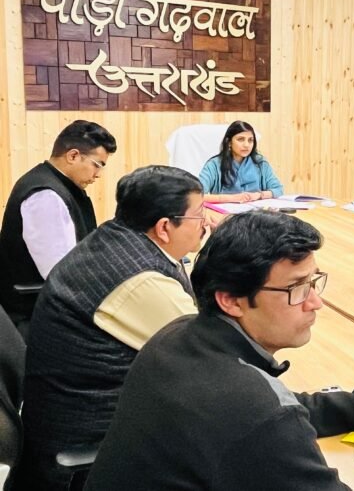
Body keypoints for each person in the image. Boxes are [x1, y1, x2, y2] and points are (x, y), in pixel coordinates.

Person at [85, 211, 354, 490]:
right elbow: (265, 418)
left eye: (313, 282)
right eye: (296, 288)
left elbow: (277, 409)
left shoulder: (179, 335)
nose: (315, 302)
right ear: (231, 300)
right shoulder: (252, 410)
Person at [15, 166, 209, 491]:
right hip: (91, 449)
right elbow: (217, 363)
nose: (206, 223)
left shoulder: (114, 239)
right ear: (164, 227)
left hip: (64, 426)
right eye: (199, 215)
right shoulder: (141, 281)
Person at [0, 120, 117, 328]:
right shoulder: (45, 196)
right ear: (73, 156)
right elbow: (60, 274)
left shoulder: (58, 187)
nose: (98, 175)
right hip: (33, 315)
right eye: (97, 165)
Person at [199, 120, 284, 203]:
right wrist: (233, 198)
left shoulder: (260, 162)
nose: (246, 145)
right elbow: (197, 195)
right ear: (229, 142)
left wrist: (259, 195)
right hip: (225, 211)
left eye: (250, 140)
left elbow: (278, 189)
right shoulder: (213, 165)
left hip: (256, 211)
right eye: (240, 139)